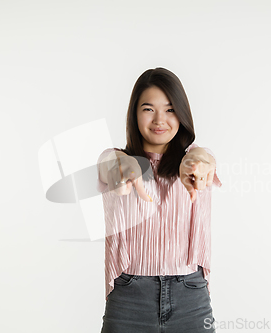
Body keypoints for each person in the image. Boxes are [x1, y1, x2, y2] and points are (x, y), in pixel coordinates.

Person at [97, 67, 222, 333]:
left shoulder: (195, 159)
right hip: (129, 299)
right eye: (148, 109)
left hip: (190, 296)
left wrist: (196, 162)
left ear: (182, 114)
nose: (159, 120)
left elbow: (204, 160)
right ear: (135, 114)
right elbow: (108, 164)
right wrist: (123, 165)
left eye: (169, 109)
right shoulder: (116, 159)